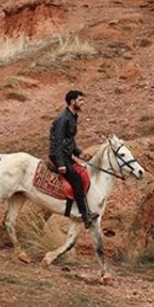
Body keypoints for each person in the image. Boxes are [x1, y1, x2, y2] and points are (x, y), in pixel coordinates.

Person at [49, 89, 97, 228]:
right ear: (72, 101)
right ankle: (84, 216)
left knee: (82, 174)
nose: (83, 103)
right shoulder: (63, 119)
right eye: (80, 100)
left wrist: (80, 153)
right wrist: (60, 163)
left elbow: (69, 141)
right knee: (76, 179)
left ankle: (84, 210)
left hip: (66, 155)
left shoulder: (72, 117)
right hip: (59, 156)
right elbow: (58, 142)